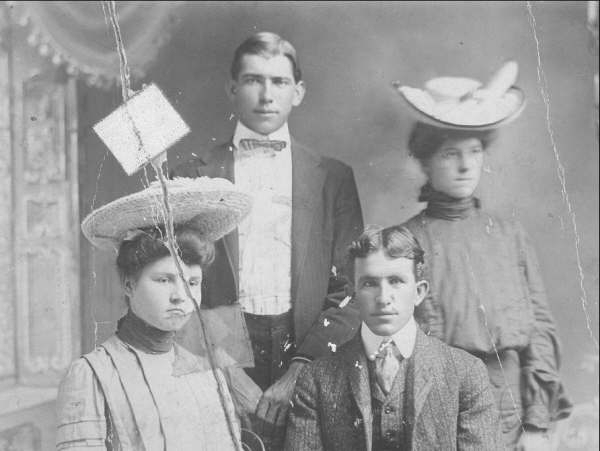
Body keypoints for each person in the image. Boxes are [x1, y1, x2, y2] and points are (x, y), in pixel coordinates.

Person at [170, 31, 363, 447]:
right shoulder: (192, 174)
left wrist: (301, 369)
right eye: (253, 80)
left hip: (309, 349)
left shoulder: (333, 178)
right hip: (217, 354)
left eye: (279, 81)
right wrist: (224, 369)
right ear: (232, 88)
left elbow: (350, 289)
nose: (266, 94)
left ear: (299, 91)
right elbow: (176, 283)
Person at [395, 68, 573, 449]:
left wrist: (536, 423)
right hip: (438, 413)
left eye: (474, 151)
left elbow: (540, 331)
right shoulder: (406, 241)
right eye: (450, 154)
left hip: (512, 415)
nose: (466, 165)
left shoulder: (510, 235)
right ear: (426, 162)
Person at [56, 177, 253, 450]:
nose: (181, 295)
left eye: (192, 282)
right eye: (164, 280)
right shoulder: (92, 375)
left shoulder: (207, 365)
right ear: (129, 284)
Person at [285, 225, 502, 451]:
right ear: (354, 294)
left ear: (419, 292)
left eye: (396, 281)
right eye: (369, 283)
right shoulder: (316, 379)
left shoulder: (465, 373)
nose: (383, 298)